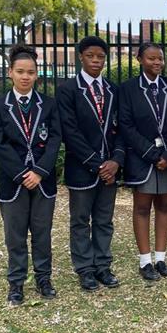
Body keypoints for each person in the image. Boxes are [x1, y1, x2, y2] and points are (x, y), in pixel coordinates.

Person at [0, 44, 62, 305]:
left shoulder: (49, 104)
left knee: (42, 232)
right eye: (20, 71)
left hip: (43, 181)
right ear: (10, 72)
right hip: (13, 182)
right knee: (15, 235)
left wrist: (40, 171)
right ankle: (16, 283)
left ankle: (44, 278)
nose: (25, 76)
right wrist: (22, 174)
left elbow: (55, 139)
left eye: (30, 72)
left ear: (36, 74)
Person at [57, 36, 126, 291]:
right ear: (81, 57)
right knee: (80, 220)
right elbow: (69, 131)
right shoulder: (67, 90)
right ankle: (84, 268)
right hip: (82, 168)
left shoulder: (112, 90)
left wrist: (116, 161)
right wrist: (97, 164)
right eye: (90, 56)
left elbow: (121, 129)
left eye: (100, 57)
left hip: (110, 169)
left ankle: (103, 265)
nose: (96, 61)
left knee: (104, 219)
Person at [118, 43, 167, 281]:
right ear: (139, 59)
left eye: (160, 59)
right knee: (142, 207)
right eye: (151, 58)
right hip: (142, 158)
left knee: (165, 206)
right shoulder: (127, 89)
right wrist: (150, 153)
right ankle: (145, 260)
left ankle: (160, 258)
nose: (156, 63)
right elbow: (125, 125)